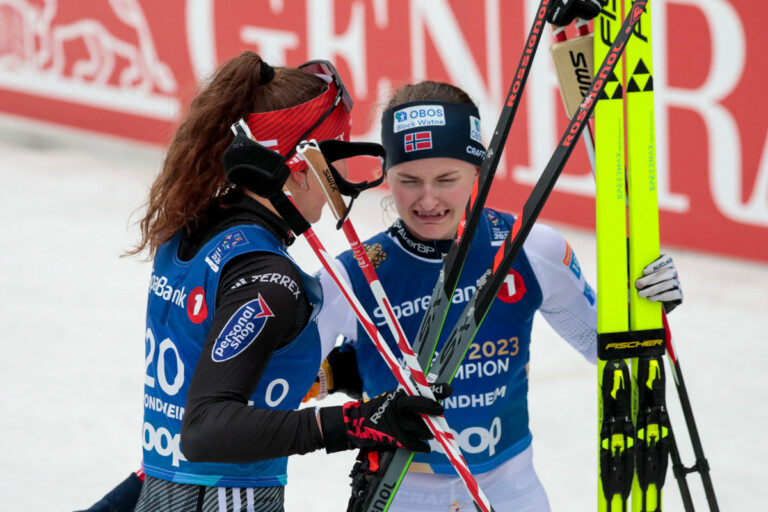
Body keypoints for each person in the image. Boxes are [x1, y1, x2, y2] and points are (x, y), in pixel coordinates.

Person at [83, 51, 448, 512]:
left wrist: (342, 378)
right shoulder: (268, 280)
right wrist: (353, 423)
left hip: (169, 496)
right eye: (336, 163)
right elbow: (205, 429)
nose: (344, 181)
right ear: (298, 168)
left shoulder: (192, 230)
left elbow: (196, 405)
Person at [311, 79, 683, 512]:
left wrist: (645, 303)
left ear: (478, 170)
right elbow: (278, 388)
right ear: (386, 176)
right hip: (402, 492)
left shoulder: (529, 248)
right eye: (408, 180)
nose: (428, 199)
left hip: (510, 487)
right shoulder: (353, 272)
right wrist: (330, 376)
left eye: (446, 179)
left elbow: (602, 345)